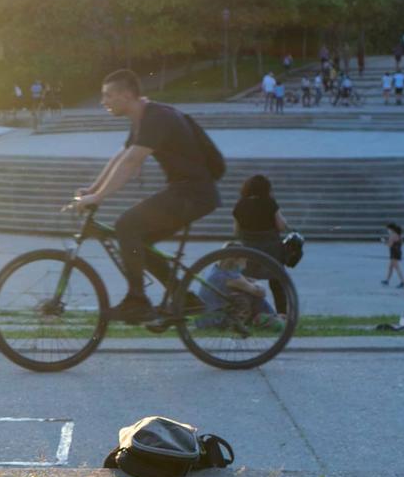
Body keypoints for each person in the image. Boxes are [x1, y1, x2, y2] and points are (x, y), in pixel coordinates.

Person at [70, 68, 222, 324]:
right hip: (187, 191)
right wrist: (93, 190)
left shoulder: (156, 117)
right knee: (137, 242)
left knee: (126, 226)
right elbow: (121, 156)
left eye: (108, 95)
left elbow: (132, 161)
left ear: (127, 95)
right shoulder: (143, 117)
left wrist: (98, 198)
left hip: (193, 193)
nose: (103, 101)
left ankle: (138, 302)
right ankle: (186, 299)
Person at [231, 174, 293, 315]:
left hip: (249, 252)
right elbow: (281, 226)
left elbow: (236, 231)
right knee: (277, 283)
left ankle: (246, 313)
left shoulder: (240, 204)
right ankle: (282, 314)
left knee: (246, 283)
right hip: (271, 252)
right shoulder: (269, 202)